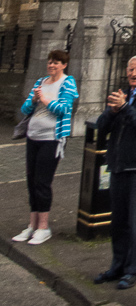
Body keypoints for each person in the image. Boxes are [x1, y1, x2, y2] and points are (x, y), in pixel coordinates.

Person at [94, 54, 136, 290]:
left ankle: (133, 269)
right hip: (118, 163)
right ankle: (118, 265)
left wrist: (124, 108)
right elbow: (102, 126)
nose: (133, 74)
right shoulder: (122, 93)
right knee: (118, 220)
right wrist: (112, 111)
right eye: (130, 70)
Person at [13, 49, 78, 245]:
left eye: (56, 62)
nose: (51, 65)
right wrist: (33, 100)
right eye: (50, 61)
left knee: (42, 182)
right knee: (31, 180)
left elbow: (65, 109)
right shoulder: (40, 82)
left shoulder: (68, 82)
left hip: (52, 139)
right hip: (33, 137)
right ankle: (32, 225)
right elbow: (24, 109)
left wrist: (46, 100)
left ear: (64, 65)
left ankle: (44, 227)